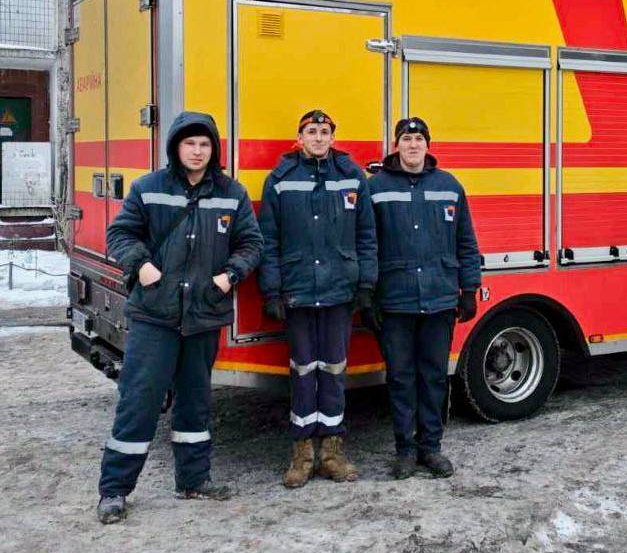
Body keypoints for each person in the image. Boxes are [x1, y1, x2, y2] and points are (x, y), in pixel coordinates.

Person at [97, 111, 263, 524]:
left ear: (214, 149)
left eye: (205, 144)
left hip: (204, 314)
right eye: (190, 143)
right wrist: (141, 265)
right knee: (139, 401)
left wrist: (230, 276)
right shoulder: (148, 188)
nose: (197, 151)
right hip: (155, 314)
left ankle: (193, 481)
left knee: (195, 402)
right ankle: (114, 490)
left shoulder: (231, 192)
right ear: (175, 146)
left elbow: (252, 243)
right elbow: (120, 234)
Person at [257, 110, 377, 488]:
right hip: (298, 292)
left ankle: (332, 451)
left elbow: (367, 236)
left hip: (339, 291)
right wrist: (272, 290)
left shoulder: (353, 177)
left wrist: (366, 284)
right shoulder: (279, 180)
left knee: (334, 370)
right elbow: (268, 241)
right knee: (303, 371)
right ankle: (302, 452)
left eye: (325, 131)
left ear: (332, 137)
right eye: (312, 131)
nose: (319, 137)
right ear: (300, 136)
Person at [366, 117, 481, 479]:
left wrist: (468, 290)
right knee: (400, 377)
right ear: (396, 145)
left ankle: (431, 449)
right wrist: (366, 296)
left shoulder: (450, 186)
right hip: (394, 301)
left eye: (418, 139)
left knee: (433, 377)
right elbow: (365, 245)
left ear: (427, 145)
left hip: (439, 300)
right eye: (406, 138)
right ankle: (405, 450)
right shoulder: (375, 187)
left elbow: (466, 242)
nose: (413, 145)